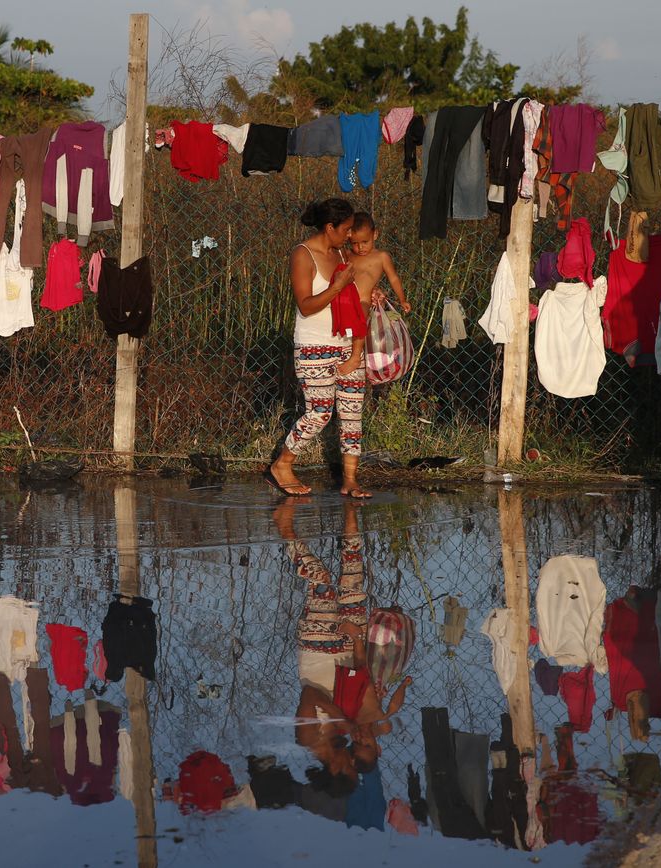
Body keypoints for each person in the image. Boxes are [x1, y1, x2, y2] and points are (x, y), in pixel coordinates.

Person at [274, 498, 411, 788]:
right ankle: (350, 509)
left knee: (321, 581)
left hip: (318, 646)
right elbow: (362, 690)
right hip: (350, 646)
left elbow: (310, 693)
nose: (351, 761)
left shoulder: (308, 739)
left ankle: (285, 529)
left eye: (348, 769)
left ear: (335, 771)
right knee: (353, 575)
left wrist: (340, 716)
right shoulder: (345, 736)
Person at [267, 198, 365, 497]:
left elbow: (351, 294)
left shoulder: (340, 252)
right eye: (346, 229)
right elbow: (306, 306)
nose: (350, 235)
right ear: (329, 227)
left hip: (347, 344)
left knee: (352, 413)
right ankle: (283, 464)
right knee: (320, 412)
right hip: (313, 346)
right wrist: (336, 286)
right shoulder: (303, 254)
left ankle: (350, 480)